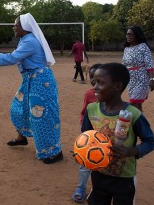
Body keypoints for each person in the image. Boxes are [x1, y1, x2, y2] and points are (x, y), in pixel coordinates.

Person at [0, 13, 63, 164]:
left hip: (40, 82)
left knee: (42, 117)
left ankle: (54, 152)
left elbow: (11, 58)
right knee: (19, 108)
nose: (13, 27)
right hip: (31, 80)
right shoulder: (25, 40)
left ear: (25, 27)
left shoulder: (30, 42)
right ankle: (21, 137)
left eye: (16, 24)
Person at [82, 63, 154, 205]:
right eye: (94, 82)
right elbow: (86, 136)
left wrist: (132, 151)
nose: (95, 86)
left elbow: (150, 142)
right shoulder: (91, 110)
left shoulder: (133, 114)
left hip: (124, 178)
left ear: (117, 86)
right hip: (98, 174)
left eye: (100, 83)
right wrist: (82, 151)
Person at [71, 63, 102, 203]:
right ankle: (81, 188)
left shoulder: (112, 96)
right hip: (90, 135)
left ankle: (99, 190)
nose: (94, 83)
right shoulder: (89, 94)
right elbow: (84, 113)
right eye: (91, 78)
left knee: (102, 165)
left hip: (106, 138)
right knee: (85, 164)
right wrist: (85, 133)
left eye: (99, 80)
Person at [123, 25, 154, 112]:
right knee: (138, 105)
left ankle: (133, 124)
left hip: (142, 79)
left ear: (137, 35)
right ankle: (141, 124)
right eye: (127, 34)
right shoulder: (126, 49)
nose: (128, 36)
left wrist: (152, 79)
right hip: (131, 80)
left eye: (130, 34)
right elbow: (124, 65)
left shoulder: (143, 47)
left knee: (133, 104)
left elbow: (149, 63)